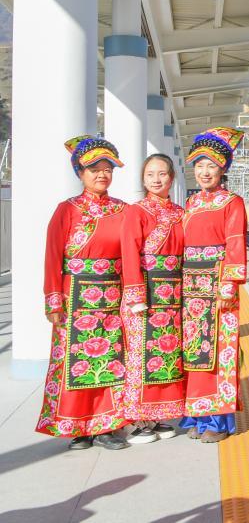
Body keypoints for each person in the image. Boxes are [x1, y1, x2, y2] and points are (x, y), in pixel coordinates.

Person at [36, 136, 129, 450]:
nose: (102, 174)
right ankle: (78, 427)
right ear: (80, 173)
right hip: (74, 298)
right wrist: (53, 299)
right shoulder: (67, 210)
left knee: (111, 360)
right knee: (75, 363)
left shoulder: (123, 210)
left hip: (113, 298)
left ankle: (107, 426)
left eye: (108, 169)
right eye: (94, 169)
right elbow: (53, 256)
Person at [179, 127, 247, 443]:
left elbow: (235, 243)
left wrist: (228, 285)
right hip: (190, 288)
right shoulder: (190, 203)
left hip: (218, 286)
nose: (205, 172)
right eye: (200, 165)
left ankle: (218, 420)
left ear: (223, 170)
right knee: (194, 351)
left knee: (218, 352)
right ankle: (197, 414)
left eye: (212, 166)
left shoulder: (232, 202)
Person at [119, 153, 186, 444]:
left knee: (166, 355)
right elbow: (129, 252)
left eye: (161, 174)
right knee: (140, 355)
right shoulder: (136, 212)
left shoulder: (180, 213)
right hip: (144, 291)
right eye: (150, 175)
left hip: (172, 293)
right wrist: (135, 295)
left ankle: (159, 416)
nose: (156, 180)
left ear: (172, 177)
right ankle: (137, 420)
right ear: (143, 179)